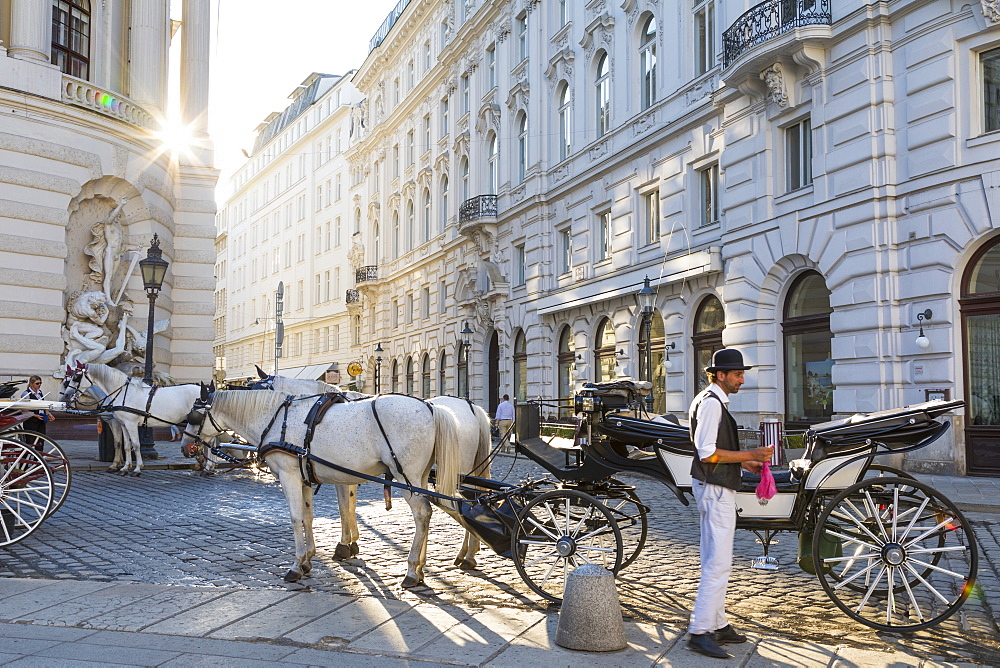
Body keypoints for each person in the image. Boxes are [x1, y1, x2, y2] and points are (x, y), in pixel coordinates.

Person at [687, 349, 774, 659]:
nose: (742, 378)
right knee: (718, 562)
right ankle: (700, 630)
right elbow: (706, 453)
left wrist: (743, 466)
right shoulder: (711, 404)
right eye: (737, 374)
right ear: (720, 375)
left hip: (715, 484)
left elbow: (714, 452)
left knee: (715, 557)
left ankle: (718, 623)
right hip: (715, 488)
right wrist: (750, 455)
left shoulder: (710, 400)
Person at [20, 375, 55, 449]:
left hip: (41, 419)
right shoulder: (26, 394)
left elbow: (43, 406)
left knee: (40, 440)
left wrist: (48, 414)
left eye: (40, 383)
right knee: (30, 440)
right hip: (31, 420)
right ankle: (27, 458)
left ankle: (38, 458)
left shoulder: (40, 393)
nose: (39, 385)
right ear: (31, 383)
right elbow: (23, 409)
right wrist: (35, 415)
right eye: (37, 383)